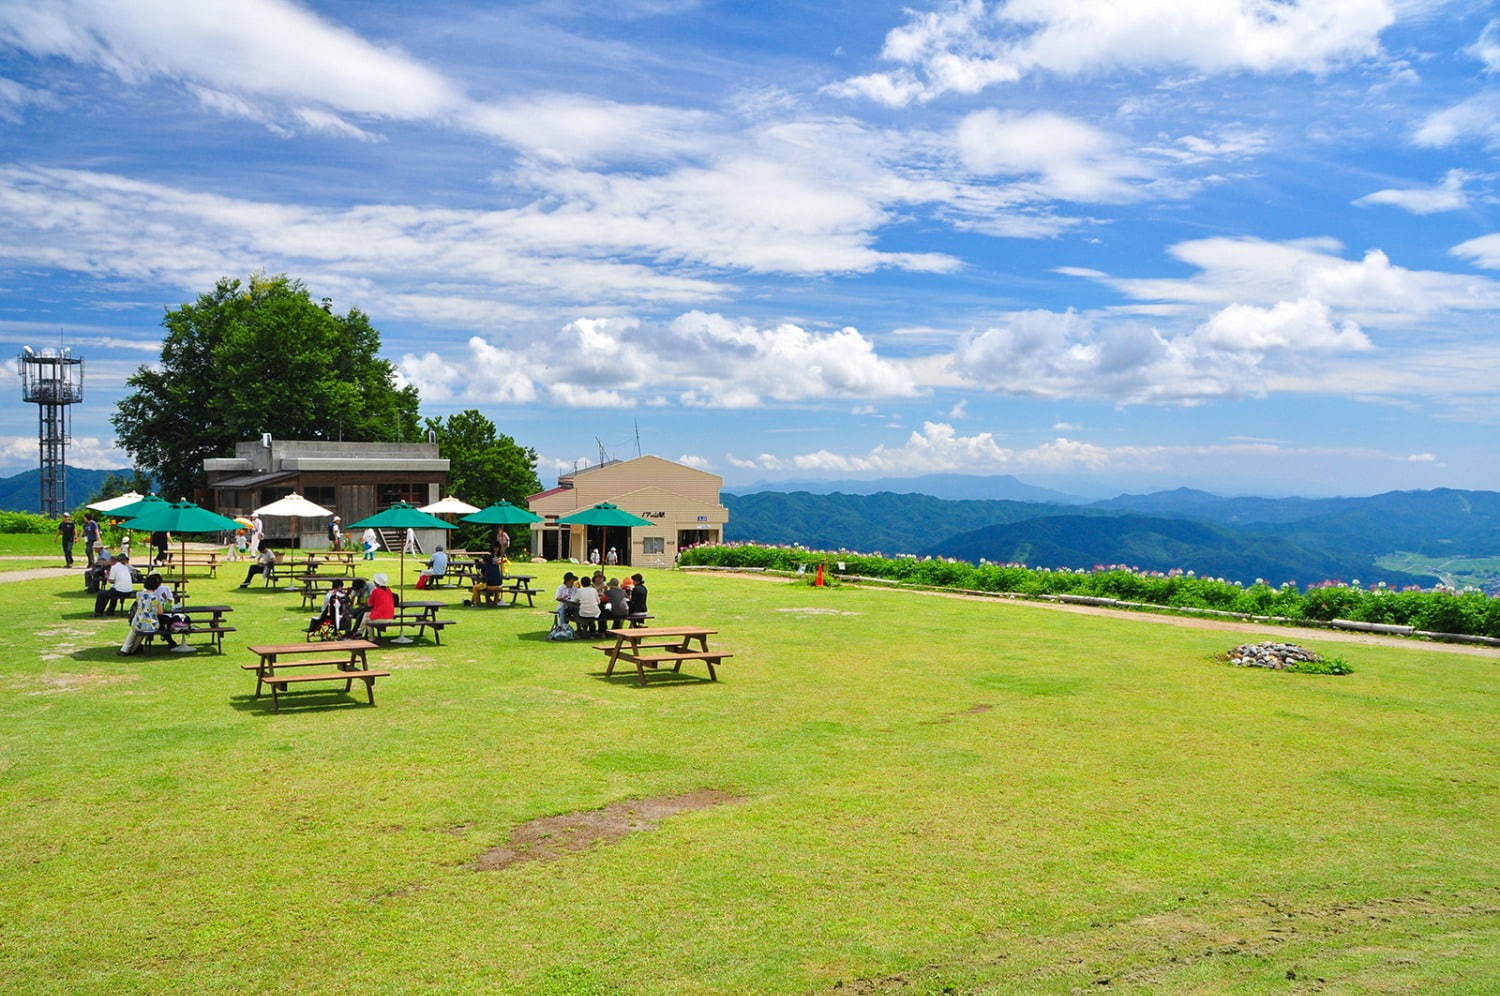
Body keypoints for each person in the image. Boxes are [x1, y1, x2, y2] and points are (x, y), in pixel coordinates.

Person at [119, 573, 180, 654]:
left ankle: (125, 649)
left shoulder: (139, 594)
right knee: (141, 632)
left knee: (135, 631)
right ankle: (132, 650)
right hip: (151, 624)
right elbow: (160, 612)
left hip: (138, 622)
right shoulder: (156, 598)